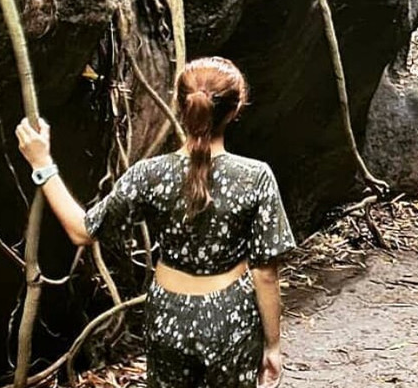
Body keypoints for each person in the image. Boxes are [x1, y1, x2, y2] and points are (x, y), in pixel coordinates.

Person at [15, 57, 296, 388]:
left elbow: (82, 230)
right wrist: (273, 346)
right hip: (230, 316)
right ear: (235, 110)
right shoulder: (256, 177)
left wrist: (43, 164)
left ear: (180, 105)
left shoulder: (149, 175)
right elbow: (265, 273)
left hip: (167, 312)